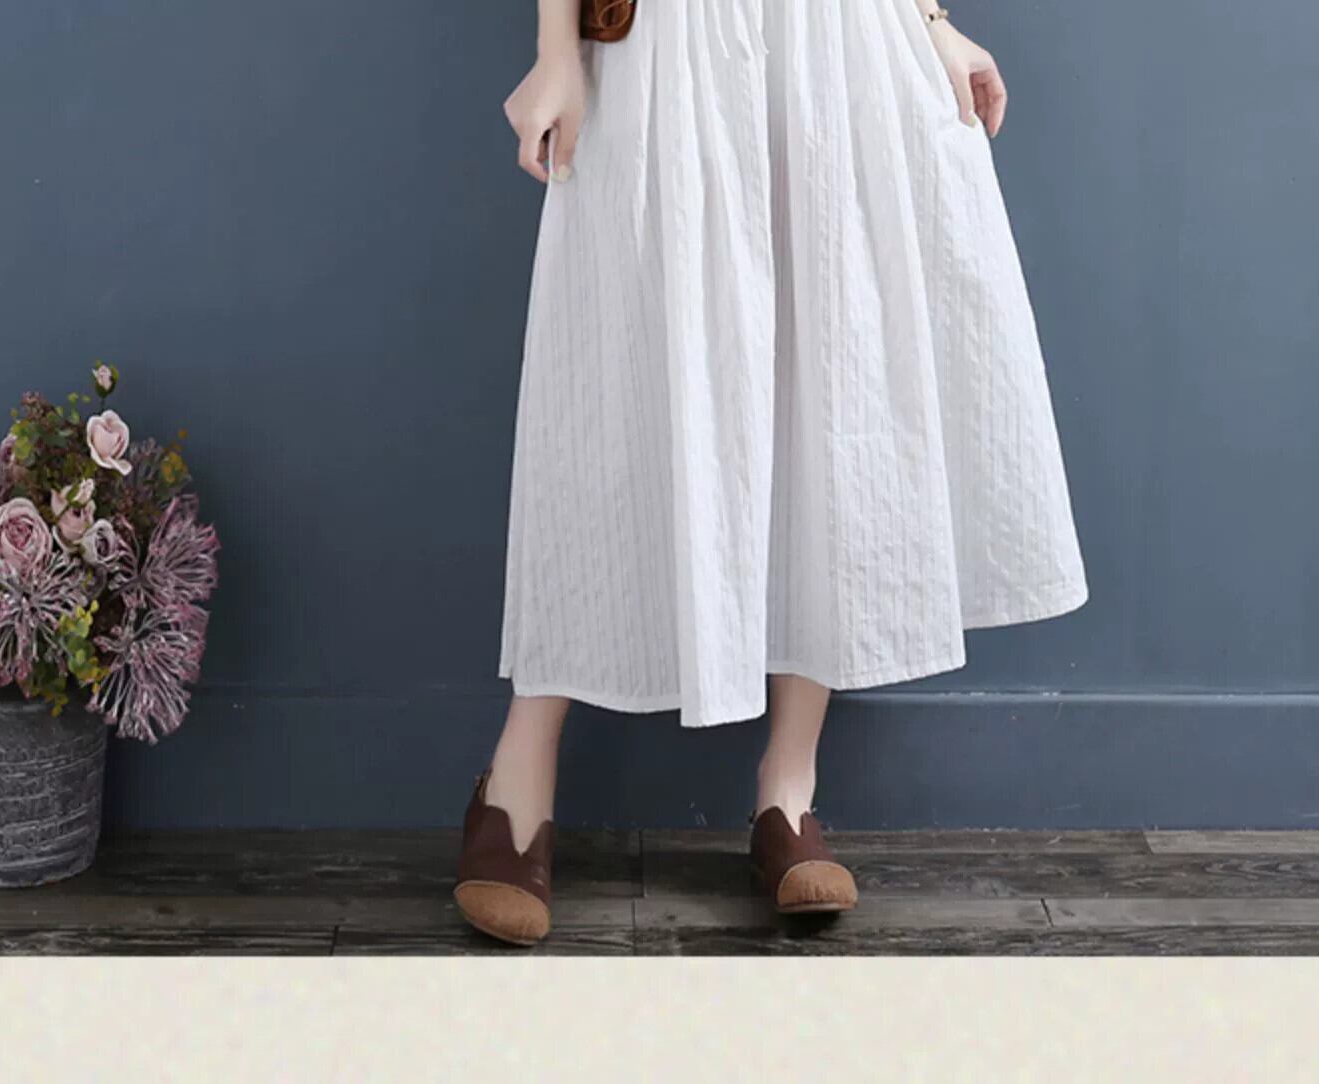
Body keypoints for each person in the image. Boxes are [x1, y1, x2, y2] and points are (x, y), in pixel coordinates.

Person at [454, 0, 1088, 946]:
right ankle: (519, 775)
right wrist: (556, 52)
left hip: (843, 42)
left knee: (834, 389)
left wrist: (931, 20)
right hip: (666, 43)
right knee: (608, 395)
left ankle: (788, 790)